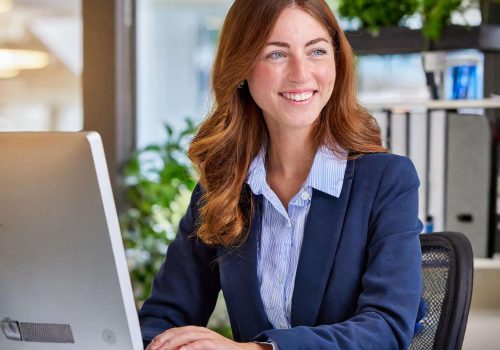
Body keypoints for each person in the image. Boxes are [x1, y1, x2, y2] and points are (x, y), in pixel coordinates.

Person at [139, 0, 424, 349]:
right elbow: (164, 316)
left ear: (337, 61)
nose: (301, 73)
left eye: (317, 51)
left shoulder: (386, 181)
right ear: (242, 66)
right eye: (276, 54)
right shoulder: (224, 185)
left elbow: (387, 328)